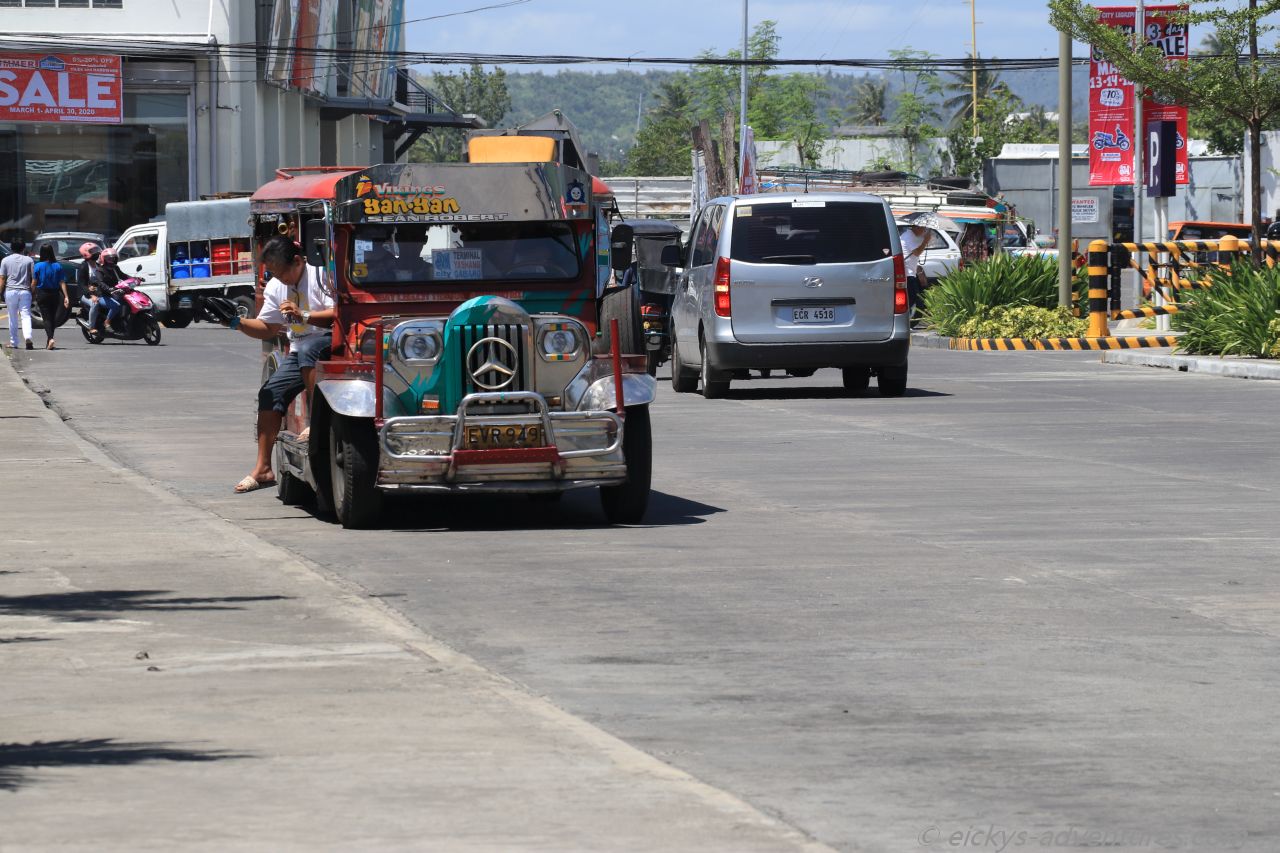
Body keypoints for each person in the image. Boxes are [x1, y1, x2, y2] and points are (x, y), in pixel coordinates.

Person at [209, 236, 335, 493]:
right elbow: (268, 328)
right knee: (269, 394)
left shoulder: (322, 276)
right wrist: (235, 323)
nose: (280, 280)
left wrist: (304, 314)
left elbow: (339, 316)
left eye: (282, 273)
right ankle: (263, 468)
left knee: (310, 349)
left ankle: (316, 422)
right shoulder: (277, 286)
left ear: (298, 261)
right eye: (274, 274)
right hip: (299, 351)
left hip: (330, 343)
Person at [32, 244, 70, 350]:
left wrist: (31, 293)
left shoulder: (38, 266)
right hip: (55, 294)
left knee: (46, 318)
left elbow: (34, 282)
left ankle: (50, 338)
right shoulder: (57, 266)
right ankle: (49, 341)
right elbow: (62, 282)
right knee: (52, 318)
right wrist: (66, 296)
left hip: (43, 293)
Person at [0, 238, 35, 350]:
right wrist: (32, 291)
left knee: (12, 316)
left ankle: (14, 342)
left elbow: (2, 279)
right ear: (23, 248)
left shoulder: (5, 260)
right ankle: (28, 337)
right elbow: (34, 279)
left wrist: (0, 292)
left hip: (10, 291)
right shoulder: (29, 260)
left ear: (11, 248)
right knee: (26, 315)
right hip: (25, 290)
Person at [899, 223, 931, 320]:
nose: (924, 231)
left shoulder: (911, 236)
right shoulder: (909, 236)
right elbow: (916, 252)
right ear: (917, 227)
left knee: (913, 299)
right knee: (915, 300)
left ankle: (909, 320)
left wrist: (926, 239)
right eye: (923, 228)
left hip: (910, 272)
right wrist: (925, 241)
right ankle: (909, 321)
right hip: (907, 273)